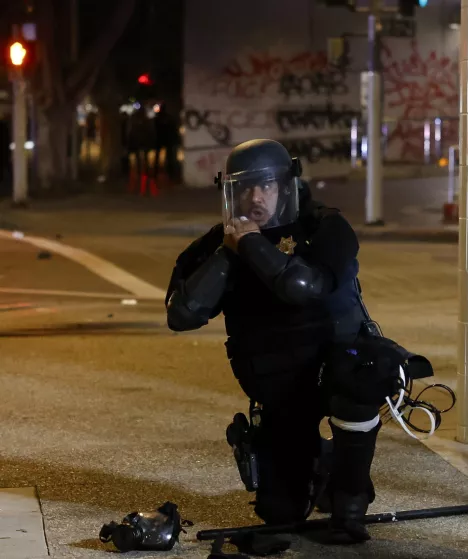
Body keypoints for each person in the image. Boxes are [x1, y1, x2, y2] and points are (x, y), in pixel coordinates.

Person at [164, 139, 400, 551]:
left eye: (267, 186)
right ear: (230, 191)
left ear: (286, 185)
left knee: (365, 374)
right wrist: (227, 251)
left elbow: (302, 286)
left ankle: (350, 501)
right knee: (280, 513)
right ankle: (321, 465)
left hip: (336, 367)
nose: (257, 197)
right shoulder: (218, 242)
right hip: (278, 385)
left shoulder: (323, 227)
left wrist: (252, 244)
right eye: (246, 187)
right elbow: (181, 314)